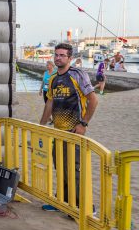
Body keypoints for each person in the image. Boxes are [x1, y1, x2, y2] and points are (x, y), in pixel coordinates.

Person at [39, 43, 98, 210]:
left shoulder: (78, 74)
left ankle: (85, 207)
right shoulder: (53, 79)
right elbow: (50, 102)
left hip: (73, 131)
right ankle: (63, 202)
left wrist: (83, 124)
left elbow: (93, 100)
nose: (58, 58)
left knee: (74, 170)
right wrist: (41, 125)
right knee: (61, 167)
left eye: (62, 55)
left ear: (70, 58)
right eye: (56, 55)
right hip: (58, 131)